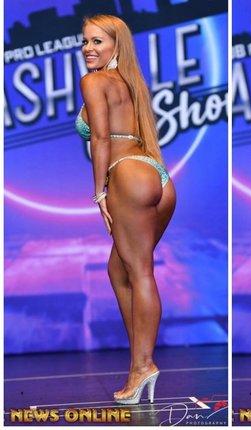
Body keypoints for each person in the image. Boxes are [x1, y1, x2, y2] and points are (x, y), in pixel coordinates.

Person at [75, 15, 176, 405]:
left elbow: (101, 137)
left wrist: (99, 191)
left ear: (117, 45)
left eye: (97, 41)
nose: (88, 48)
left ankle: (143, 366)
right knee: (120, 270)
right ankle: (140, 361)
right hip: (158, 177)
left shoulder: (94, 82)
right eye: (85, 41)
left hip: (128, 176)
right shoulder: (131, 83)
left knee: (140, 271)